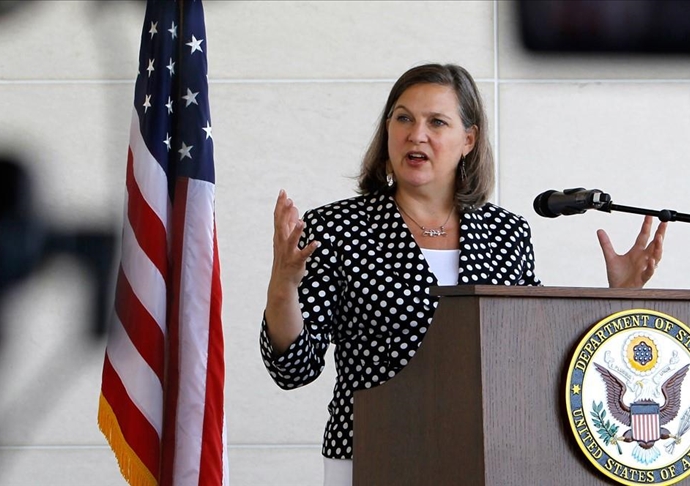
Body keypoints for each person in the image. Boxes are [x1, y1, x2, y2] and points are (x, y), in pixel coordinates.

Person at [259, 63, 666, 486]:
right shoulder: (336, 228)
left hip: (490, 454)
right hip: (373, 451)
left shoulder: (505, 232)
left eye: (436, 122)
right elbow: (294, 369)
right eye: (404, 118)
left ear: (468, 140)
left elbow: (537, 349)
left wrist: (620, 297)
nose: (416, 134)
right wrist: (283, 286)